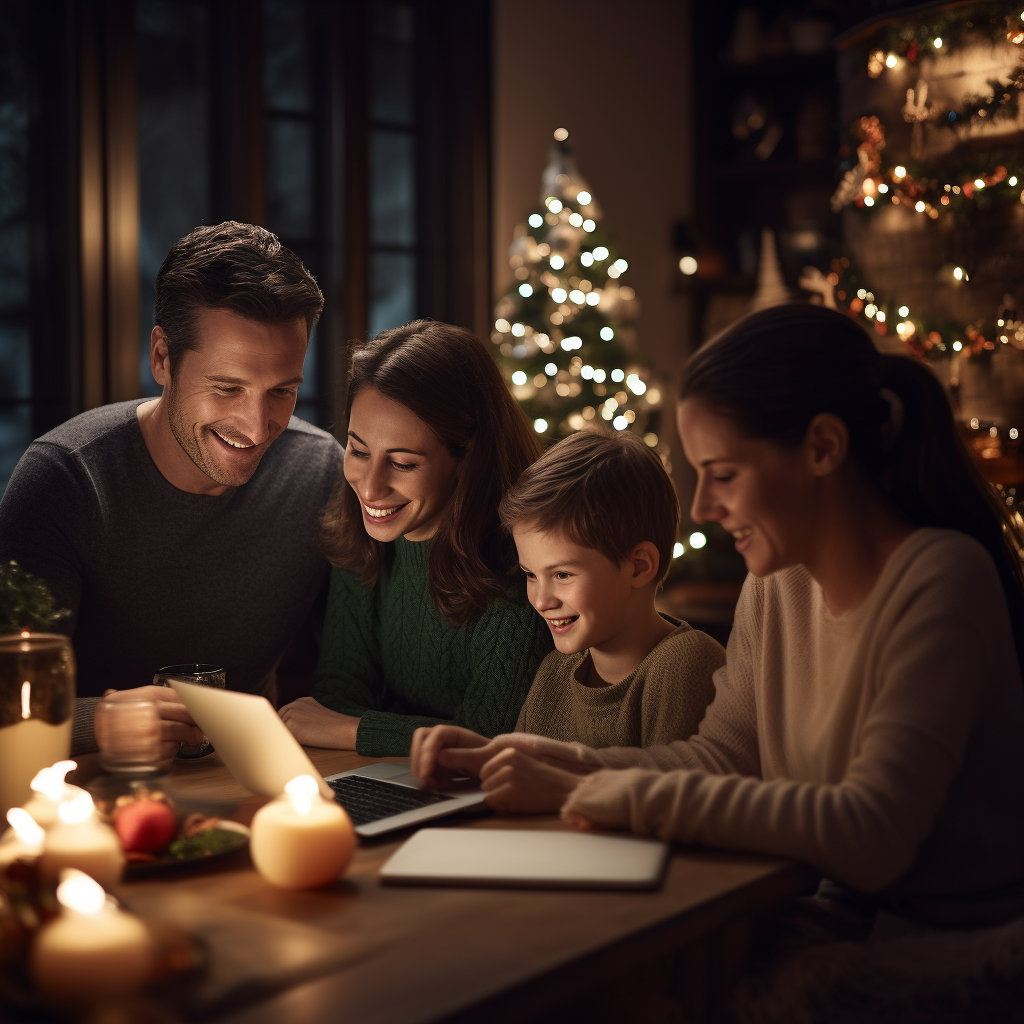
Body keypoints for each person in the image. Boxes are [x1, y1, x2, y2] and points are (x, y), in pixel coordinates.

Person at [413, 303, 1024, 931]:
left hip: (945, 938)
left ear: (822, 447)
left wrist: (585, 791)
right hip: (833, 912)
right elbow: (719, 757)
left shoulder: (943, 578)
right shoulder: (776, 581)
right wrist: (541, 761)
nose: (703, 507)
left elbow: (872, 835)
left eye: (723, 474)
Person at [0, 222, 343, 760]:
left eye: (282, 391)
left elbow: (354, 666)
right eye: (227, 388)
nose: (256, 427)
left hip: (249, 785)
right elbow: (5, 697)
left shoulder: (319, 469)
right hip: (81, 793)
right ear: (162, 357)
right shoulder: (65, 480)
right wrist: (94, 723)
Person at [279, 320, 553, 756]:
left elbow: (490, 737)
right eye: (359, 451)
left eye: (403, 463)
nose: (369, 489)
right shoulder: (361, 531)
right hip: (391, 773)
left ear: (468, 458)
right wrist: (363, 728)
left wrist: (355, 730)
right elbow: (340, 692)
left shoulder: (519, 562)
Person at [409, 429, 723, 775]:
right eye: (530, 574)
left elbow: (667, 802)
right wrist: (482, 761)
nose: (541, 600)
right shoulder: (553, 674)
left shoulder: (685, 663)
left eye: (562, 575)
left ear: (639, 566)